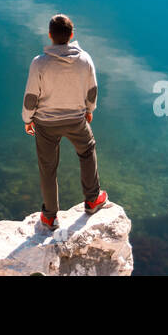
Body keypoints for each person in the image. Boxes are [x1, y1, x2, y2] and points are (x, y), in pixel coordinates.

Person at [22, 14, 107, 230]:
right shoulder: (85, 59)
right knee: (87, 151)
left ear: (50, 35)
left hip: (46, 123)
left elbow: (31, 96)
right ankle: (92, 199)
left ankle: (50, 216)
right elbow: (92, 90)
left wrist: (27, 119)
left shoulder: (39, 63)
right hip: (75, 120)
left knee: (48, 168)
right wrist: (89, 110)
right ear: (72, 35)